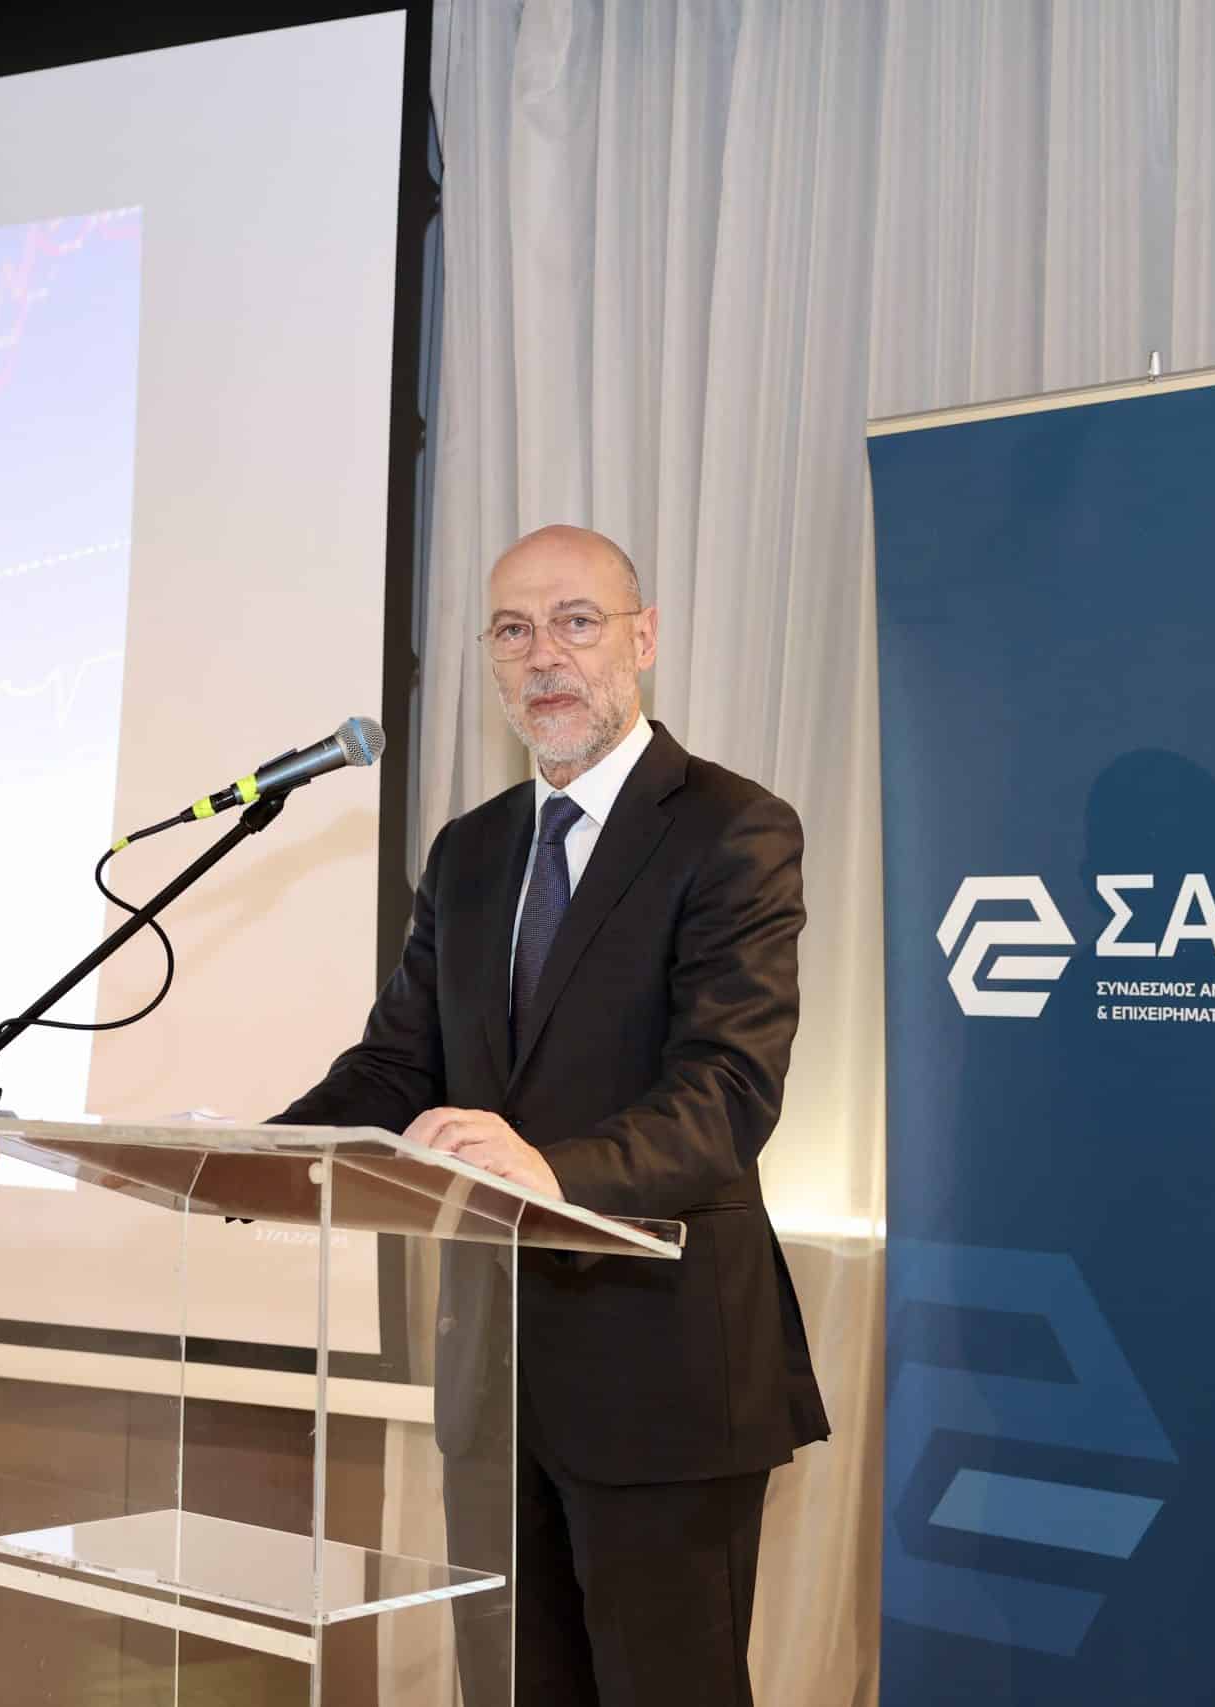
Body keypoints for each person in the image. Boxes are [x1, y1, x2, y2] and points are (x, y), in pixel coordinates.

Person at [274, 524, 828, 1707]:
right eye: (512, 631)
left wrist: (550, 1171)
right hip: (495, 1381)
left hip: (663, 1376)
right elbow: (397, 1065)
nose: (543, 656)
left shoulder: (731, 828)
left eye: (576, 622)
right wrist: (265, 1147)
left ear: (644, 638)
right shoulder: (471, 851)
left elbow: (728, 1090)